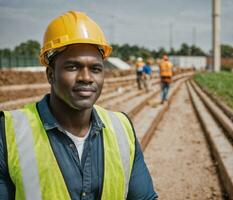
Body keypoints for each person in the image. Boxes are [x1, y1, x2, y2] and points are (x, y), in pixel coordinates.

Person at [0, 11, 157, 200]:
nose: (86, 78)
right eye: (72, 67)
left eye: (96, 69)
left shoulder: (122, 128)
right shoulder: (8, 134)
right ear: (50, 74)